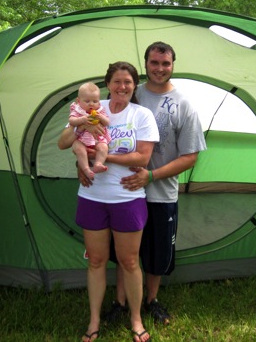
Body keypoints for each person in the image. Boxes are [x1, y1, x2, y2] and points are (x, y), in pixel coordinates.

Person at [79, 42, 206, 326]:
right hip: (122, 191)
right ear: (145, 65)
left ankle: (152, 300)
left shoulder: (184, 105)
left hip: (160, 192)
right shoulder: (127, 93)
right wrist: (83, 163)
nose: (160, 68)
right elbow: (94, 136)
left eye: (165, 63)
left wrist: (151, 175)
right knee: (125, 255)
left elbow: (191, 157)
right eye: (154, 63)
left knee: (157, 252)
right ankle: (120, 302)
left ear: (173, 65)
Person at [58, 62, 159, 342]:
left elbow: (143, 157)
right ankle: (94, 321)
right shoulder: (90, 106)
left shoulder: (141, 114)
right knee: (96, 261)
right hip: (92, 196)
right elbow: (63, 142)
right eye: (117, 81)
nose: (122, 87)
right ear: (108, 84)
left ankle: (136, 319)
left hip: (127, 197)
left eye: (128, 82)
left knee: (129, 261)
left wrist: (101, 158)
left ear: (134, 86)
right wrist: (79, 127)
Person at [69, 82, 111, 179]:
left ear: (99, 102)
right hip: (81, 139)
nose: (91, 104)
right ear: (78, 101)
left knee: (103, 147)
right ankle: (86, 169)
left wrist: (101, 117)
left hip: (97, 139)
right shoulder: (78, 110)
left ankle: (98, 163)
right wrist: (82, 120)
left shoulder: (100, 110)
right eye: (87, 101)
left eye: (95, 101)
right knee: (78, 149)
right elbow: (71, 121)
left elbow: (107, 122)